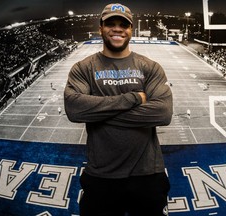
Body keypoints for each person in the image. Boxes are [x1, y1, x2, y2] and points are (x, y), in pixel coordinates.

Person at [64, 3, 173, 216]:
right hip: (101, 175)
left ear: (131, 29)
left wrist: (98, 112)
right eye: (110, 24)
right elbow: (75, 109)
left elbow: (163, 112)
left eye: (123, 24)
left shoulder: (149, 67)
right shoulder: (83, 68)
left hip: (147, 174)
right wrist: (134, 98)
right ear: (100, 28)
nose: (117, 29)